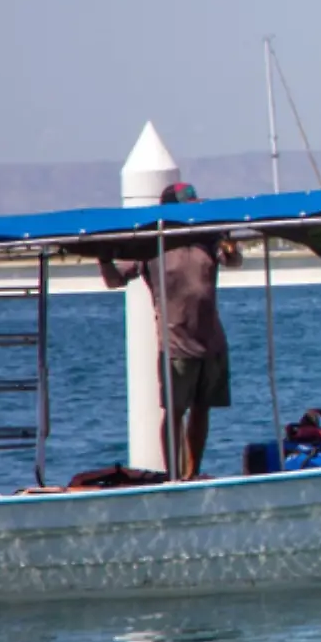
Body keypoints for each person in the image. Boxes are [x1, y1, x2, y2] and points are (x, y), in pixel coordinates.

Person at [97, 181, 242, 477]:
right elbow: (115, 280)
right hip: (176, 345)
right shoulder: (151, 245)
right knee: (175, 412)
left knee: (203, 409)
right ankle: (174, 476)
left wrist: (229, 241)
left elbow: (235, 261)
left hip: (212, 342)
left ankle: (193, 473)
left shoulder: (208, 239)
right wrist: (102, 255)